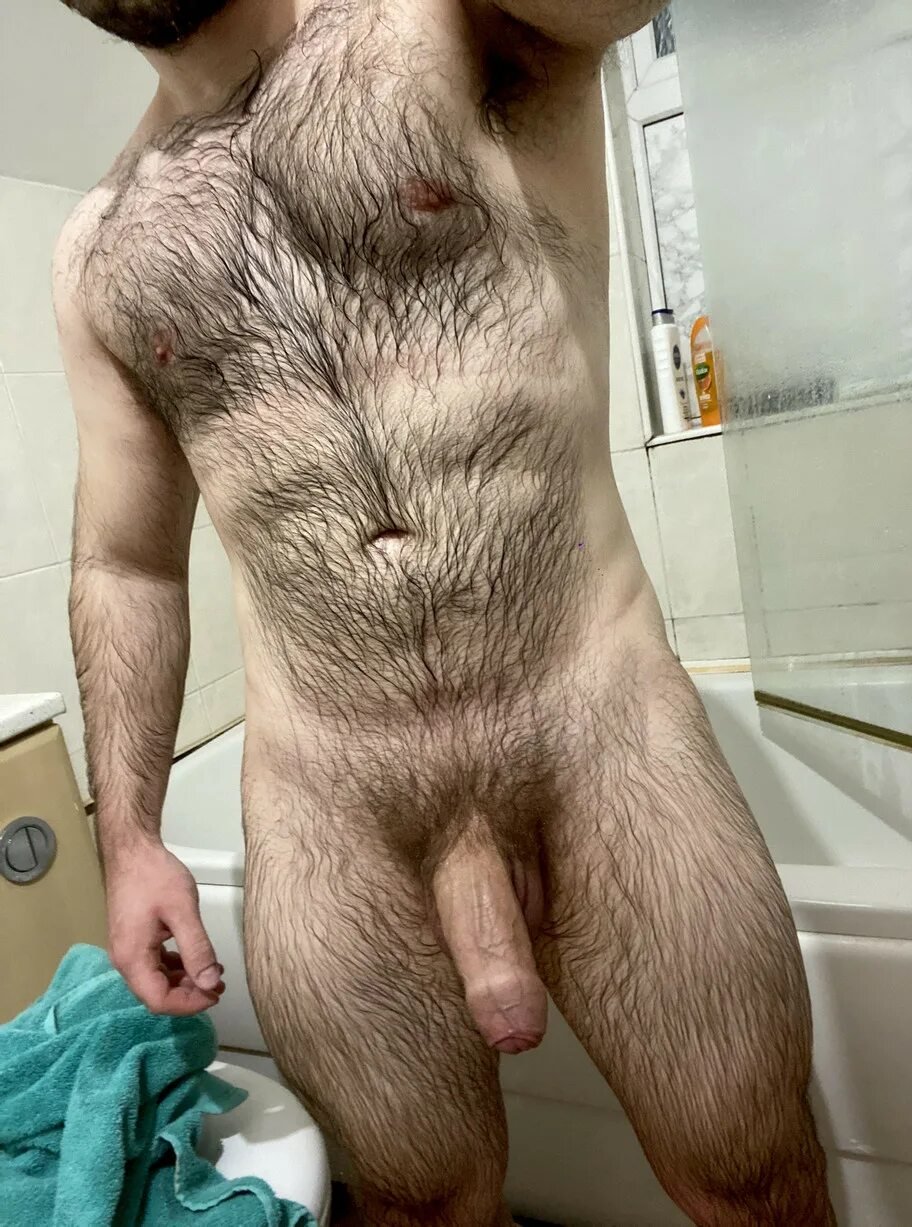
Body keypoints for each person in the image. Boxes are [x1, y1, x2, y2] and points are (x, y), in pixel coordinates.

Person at [56, 1, 836, 1223]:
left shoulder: (454, 27)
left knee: (756, 1183)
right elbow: (125, 565)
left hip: (597, 727)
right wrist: (131, 841)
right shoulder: (98, 251)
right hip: (329, 800)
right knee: (414, 1205)